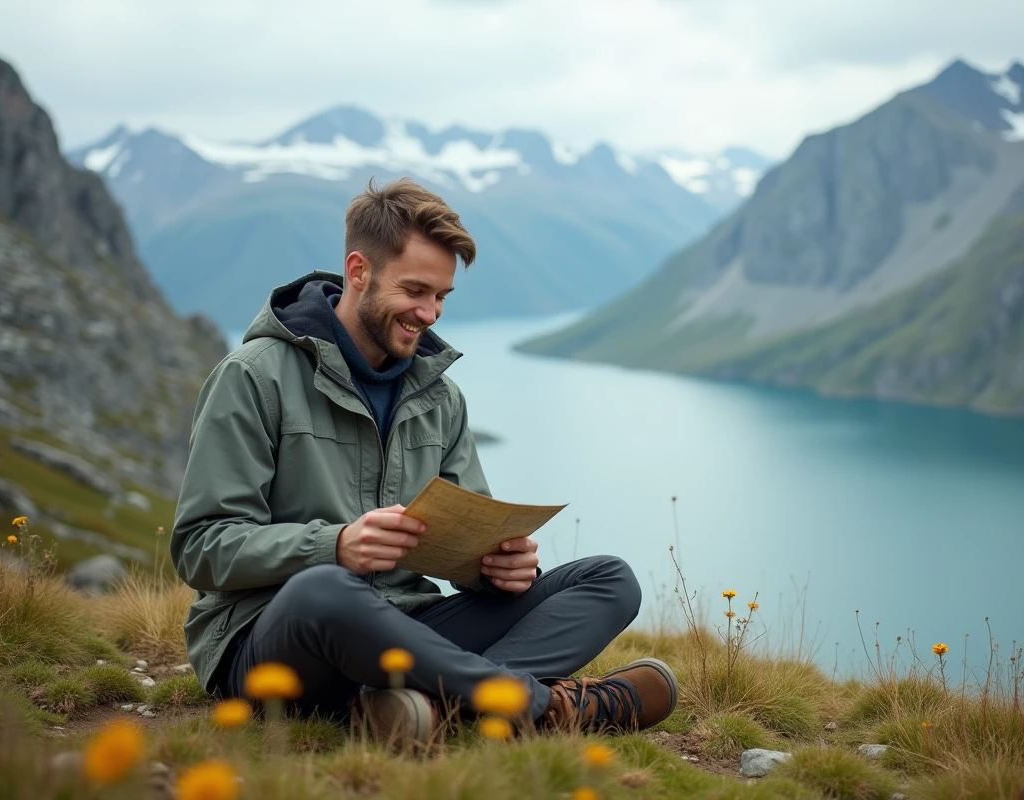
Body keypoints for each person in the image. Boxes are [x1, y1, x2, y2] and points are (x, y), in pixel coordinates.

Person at [170, 177, 677, 742]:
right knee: (325, 588)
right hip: (274, 641)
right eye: (416, 291)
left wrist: (501, 570)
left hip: (409, 631)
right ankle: (542, 706)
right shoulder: (253, 376)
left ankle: (421, 708)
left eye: (441, 297)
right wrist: (333, 546)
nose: (431, 313)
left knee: (609, 579)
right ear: (358, 271)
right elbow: (200, 546)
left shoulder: (439, 397)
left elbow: (470, 533)